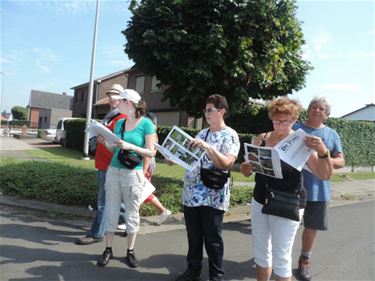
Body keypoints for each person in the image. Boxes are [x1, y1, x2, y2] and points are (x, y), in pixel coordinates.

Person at [240, 97, 333, 281]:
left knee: (281, 258)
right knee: (260, 252)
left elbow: (324, 174)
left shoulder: (301, 142)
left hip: (287, 202)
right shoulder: (262, 138)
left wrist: (323, 152)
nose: (280, 124)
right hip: (260, 199)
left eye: (286, 121)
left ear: (294, 120)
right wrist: (246, 169)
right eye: (276, 120)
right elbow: (247, 171)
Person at [174, 94, 240, 281]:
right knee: (193, 237)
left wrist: (208, 148)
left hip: (213, 195)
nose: (206, 113)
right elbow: (191, 159)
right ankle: (193, 271)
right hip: (192, 193)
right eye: (205, 110)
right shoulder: (202, 133)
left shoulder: (231, 135)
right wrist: (174, 157)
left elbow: (226, 163)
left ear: (222, 111)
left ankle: (216, 276)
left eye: (210, 110)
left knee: (213, 239)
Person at [96, 89, 156, 268]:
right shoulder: (120, 123)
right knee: (111, 211)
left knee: (131, 213)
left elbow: (151, 152)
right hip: (114, 170)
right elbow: (115, 150)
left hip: (133, 174)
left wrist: (130, 146)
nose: (116, 103)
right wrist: (105, 142)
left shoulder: (146, 124)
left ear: (128, 103)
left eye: (120, 101)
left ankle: (130, 251)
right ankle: (108, 249)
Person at [293, 97, 345, 281]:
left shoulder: (331, 134)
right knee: (285, 225)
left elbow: (341, 161)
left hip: (318, 189)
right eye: (313, 107)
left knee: (311, 227)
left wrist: (322, 157)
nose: (316, 110)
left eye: (321, 108)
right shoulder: (294, 128)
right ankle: (277, 258)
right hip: (292, 187)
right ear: (308, 110)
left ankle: (304, 260)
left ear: (327, 114)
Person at [76, 84, 126, 245]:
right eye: (110, 94)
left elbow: (119, 143)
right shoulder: (110, 116)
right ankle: (127, 222)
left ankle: (97, 234)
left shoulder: (122, 118)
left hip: (110, 164)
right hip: (105, 163)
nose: (112, 98)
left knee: (103, 202)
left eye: (116, 95)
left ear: (123, 98)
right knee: (115, 200)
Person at [143, 112, 172, 225]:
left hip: (147, 164)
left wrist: (144, 170)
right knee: (141, 192)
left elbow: (149, 153)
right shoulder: (153, 133)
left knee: (142, 191)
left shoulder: (150, 133)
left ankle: (163, 211)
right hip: (149, 164)